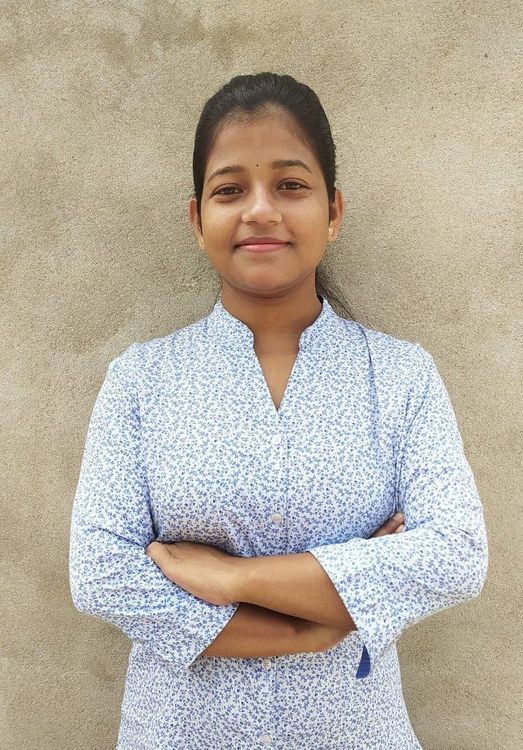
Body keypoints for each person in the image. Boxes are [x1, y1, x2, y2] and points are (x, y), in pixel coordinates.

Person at [68, 72, 489, 749]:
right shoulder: (141, 380)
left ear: (333, 211)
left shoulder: (400, 376)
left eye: (290, 185)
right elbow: (101, 573)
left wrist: (234, 577)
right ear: (196, 219)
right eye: (229, 190)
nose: (260, 210)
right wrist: (309, 628)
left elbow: (455, 555)